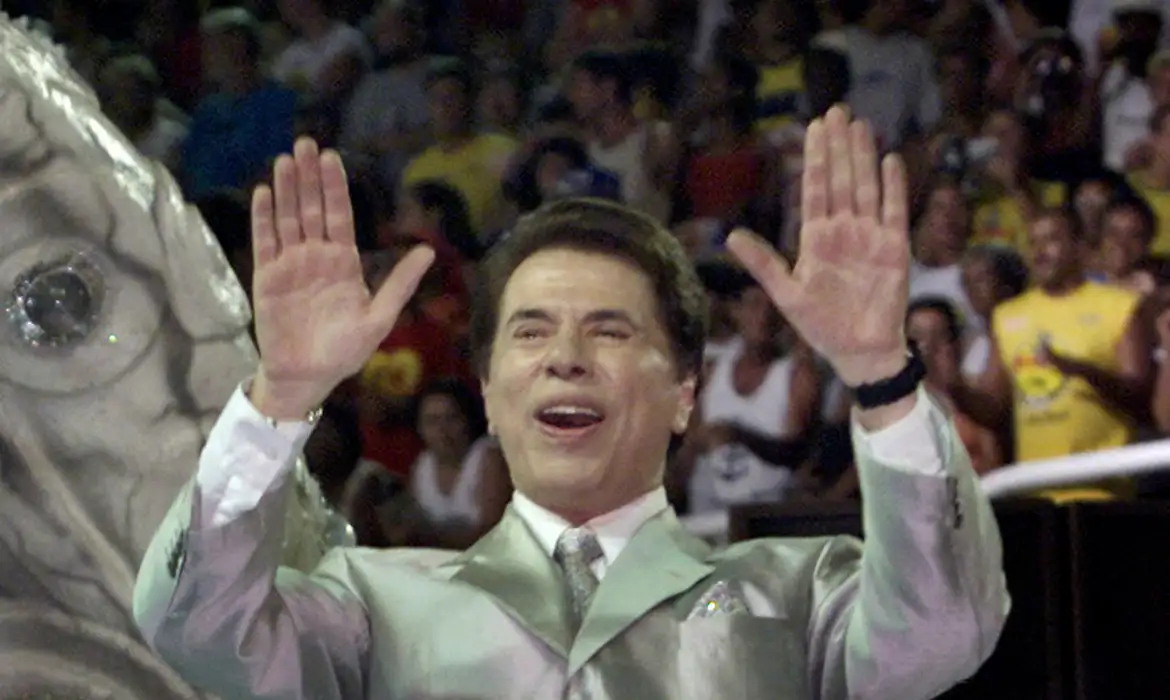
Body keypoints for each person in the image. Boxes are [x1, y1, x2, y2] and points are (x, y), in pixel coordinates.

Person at [133, 106, 1008, 699]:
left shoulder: (796, 592)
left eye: (611, 332)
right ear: (487, 389)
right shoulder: (370, 603)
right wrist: (282, 395)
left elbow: (943, 633)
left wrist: (880, 373)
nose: (565, 360)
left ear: (684, 394)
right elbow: (193, 626)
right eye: (530, 332)